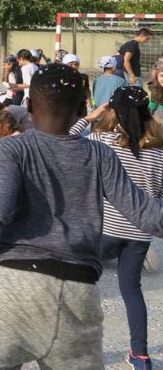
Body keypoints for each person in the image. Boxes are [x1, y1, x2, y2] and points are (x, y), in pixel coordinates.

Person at [0, 64, 163, 370]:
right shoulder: (101, 155)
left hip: (13, 288)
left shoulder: (12, 148)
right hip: (76, 294)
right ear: (83, 108)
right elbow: (146, 213)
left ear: (29, 105)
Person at [70, 87, 163, 367]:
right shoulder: (160, 151)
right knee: (132, 291)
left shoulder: (102, 141)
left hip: (105, 228)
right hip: (139, 232)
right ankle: (140, 355)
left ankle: (71, 347)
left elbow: (65, 141)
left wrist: (88, 117)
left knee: (79, 283)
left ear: (113, 111)